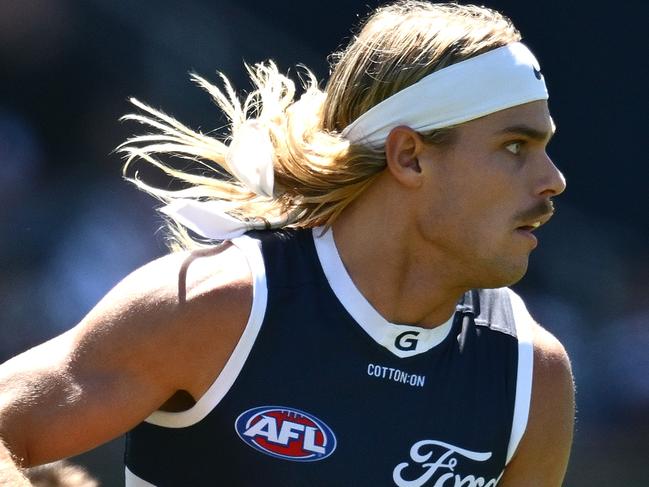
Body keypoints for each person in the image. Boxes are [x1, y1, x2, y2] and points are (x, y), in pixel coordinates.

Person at [0, 1, 574, 485]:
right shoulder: (218, 308)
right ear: (409, 156)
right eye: (515, 147)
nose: (553, 179)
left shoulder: (531, 375)